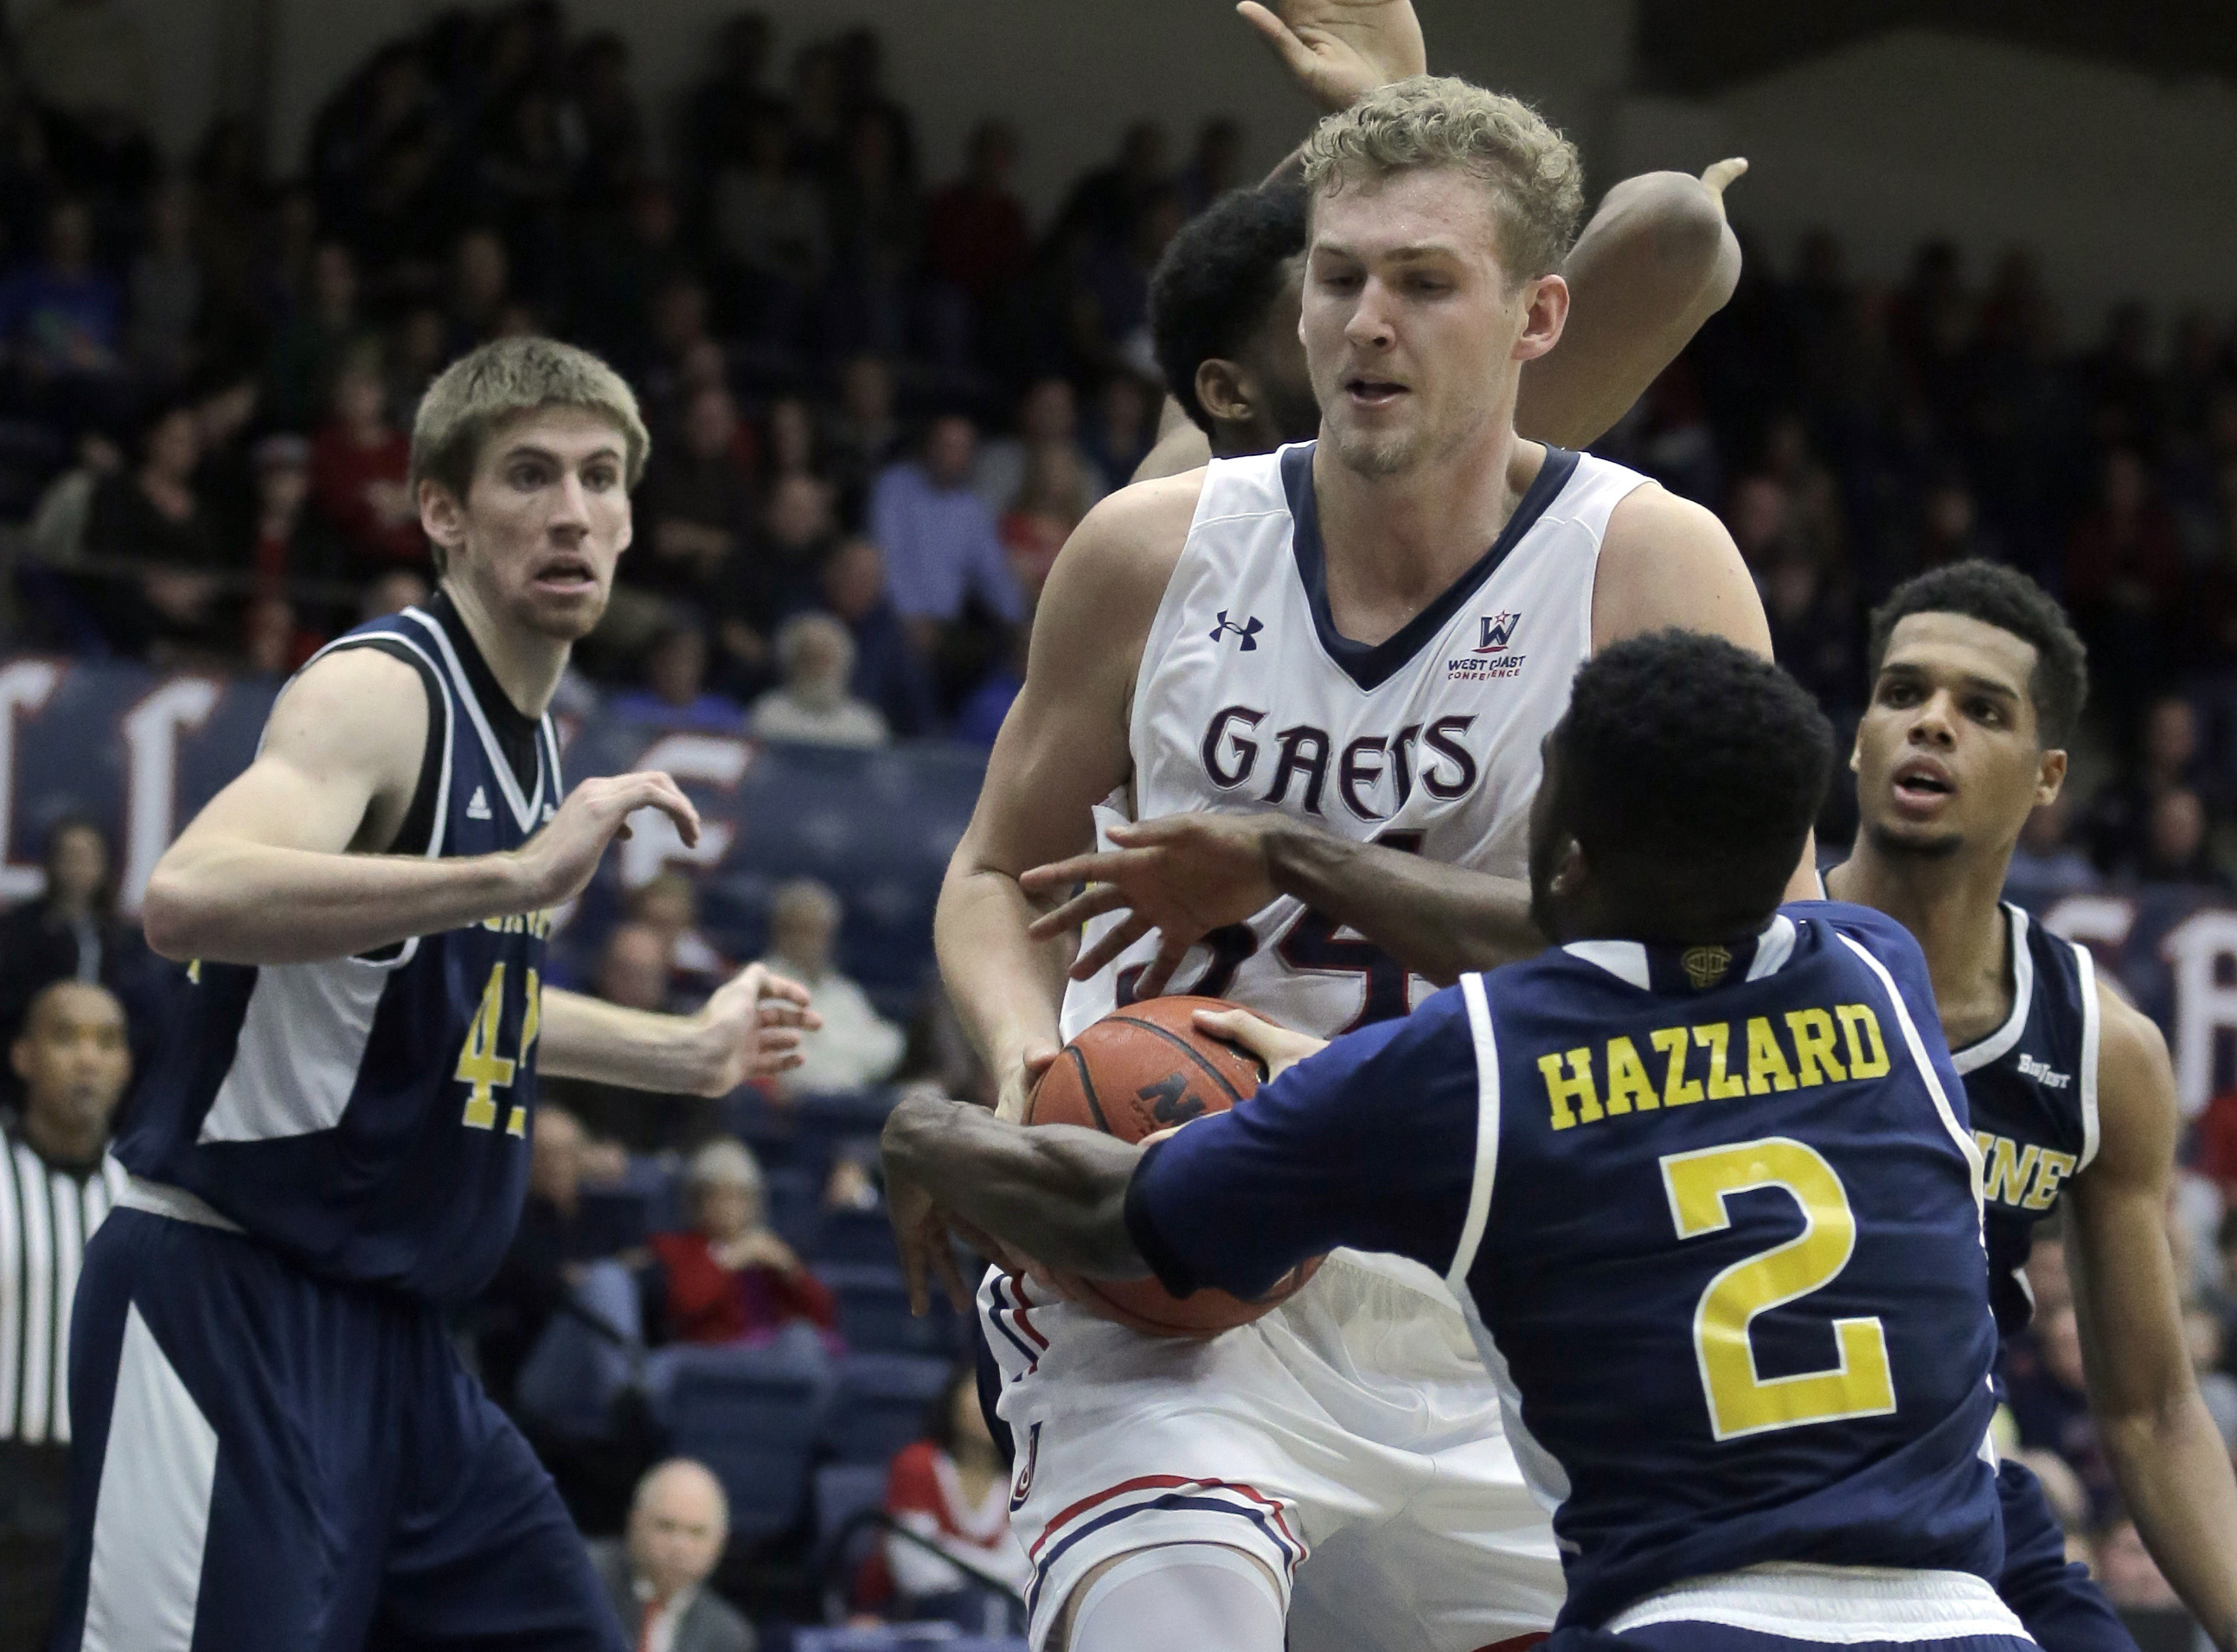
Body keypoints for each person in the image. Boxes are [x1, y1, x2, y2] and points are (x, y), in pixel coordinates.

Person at [926, 66, 1798, 1652]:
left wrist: (1293, 863)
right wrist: (1020, 1067)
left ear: (1540, 317)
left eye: (1421, 283)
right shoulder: (1151, 551)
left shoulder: (1649, 564)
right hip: (1169, 1261)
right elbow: (997, 877)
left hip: (1500, 1288)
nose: (1365, 323)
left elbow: (1754, 973)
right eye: (1337, 279)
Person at [889, 631, 2031, 1652]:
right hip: (1969, 1614)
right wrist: (1290, 853)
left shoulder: (1473, 1062)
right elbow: (1621, 938)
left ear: (1566, 841)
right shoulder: (1880, 971)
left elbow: (1108, 1215)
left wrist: (928, 1129)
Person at [50, 336, 817, 1652]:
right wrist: (509, 871)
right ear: (443, 514)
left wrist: (684, 1053)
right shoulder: (381, 692)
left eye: (597, 477)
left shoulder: (533, 744)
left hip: (405, 1352)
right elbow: (188, 892)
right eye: (527, 475)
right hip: (231, 1302)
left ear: (633, 516)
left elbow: (449, 1006)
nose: (570, 510)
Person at [1824, 562, 2237, 1651]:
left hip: (1959, 1507)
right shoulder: (1738, 952)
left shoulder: (2103, 1047)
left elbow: (2150, 1411)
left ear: (2050, 775)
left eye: (1981, 708)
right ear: (1858, 737)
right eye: (1902, 693)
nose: (1932, 724)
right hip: (1727, 1494)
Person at [0, 982, 130, 1652]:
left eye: (107, 1042)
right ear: (22, 1055)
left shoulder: (146, 1199)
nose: (88, 1060)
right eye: (66, 1037)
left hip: (114, 1496)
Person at [646, 1138, 836, 1347]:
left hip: (773, 1358)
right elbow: (685, 1306)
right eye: (717, 1195)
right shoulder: (676, 1247)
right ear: (698, 1201)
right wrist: (731, 1260)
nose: (728, 1207)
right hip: (714, 1358)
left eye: (739, 1196)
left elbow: (823, 1315)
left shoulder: (765, 1248)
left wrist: (790, 1270)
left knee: (802, 1338)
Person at [880, 1365, 1035, 1617]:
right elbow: (917, 1573)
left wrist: (945, 1551)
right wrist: (995, 1576)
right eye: (978, 1389)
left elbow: (1024, 1578)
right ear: (953, 1401)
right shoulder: (917, 1466)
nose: (989, 1401)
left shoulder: (1026, 1482)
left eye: (1001, 1389)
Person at [0, 816, 148, 1053]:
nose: (78, 867)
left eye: (88, 858)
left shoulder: (122, 937)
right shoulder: (20, 928)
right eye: (69, 856)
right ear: (51, 861)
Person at [757, 877, 906, 1098]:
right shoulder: (761, 985)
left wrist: (834, 1053)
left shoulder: (843, 992)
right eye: (804, 930)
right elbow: (792, 1068)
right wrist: (852, 1059)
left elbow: (890, 1047)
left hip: (854, 1104)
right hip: (803, 1112)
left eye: (822, 932)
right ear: (781, 932)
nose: (814, 942)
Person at [589, 1457, 754, 1652]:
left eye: (696, 1532)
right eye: (666, 1526)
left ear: (720, 1542)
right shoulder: (584, 1579)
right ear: (635, 1523)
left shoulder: (727, 1635)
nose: (680, 1547)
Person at [748, 612, 889, 748]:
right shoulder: (768, 715)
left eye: (824, 658)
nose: (816, 668)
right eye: (808, 658)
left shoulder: (865, 725)